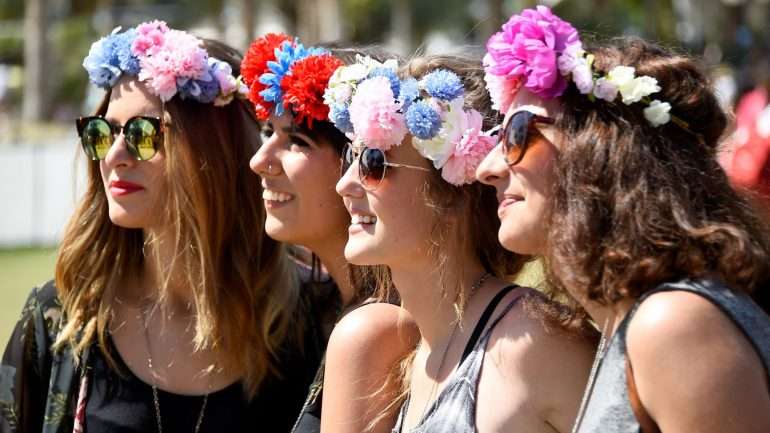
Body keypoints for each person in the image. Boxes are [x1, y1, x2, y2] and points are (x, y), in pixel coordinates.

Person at [1, 22, 329, 433]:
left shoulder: (312, 321)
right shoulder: (61, 318)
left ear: (217, 150)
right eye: (103, 132)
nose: (115, 155)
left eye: (142, 133)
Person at [476, 6, 770, 433]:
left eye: (518, 134)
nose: (487, 168)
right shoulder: (634, 318)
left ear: (601, 148)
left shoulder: (674, 324)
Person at [333, 53, 597, 433]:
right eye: (350, 158)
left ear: (455, 193)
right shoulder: (408, 354)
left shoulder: (534, 344)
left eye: (375, 161)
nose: (345, 185)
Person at [240, 34, 419, 433]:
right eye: (267, 132)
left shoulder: (383, 326)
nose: (259, 160)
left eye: (296, 140)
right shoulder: (318, 309)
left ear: (359, 162)